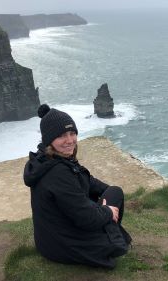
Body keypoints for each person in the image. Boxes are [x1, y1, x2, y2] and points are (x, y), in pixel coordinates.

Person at [23, 104, 132, 269]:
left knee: (113, 192)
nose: (69, 140)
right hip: (63, 246)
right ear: (49, 139)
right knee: (116, 242)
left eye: (72, 133)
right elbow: (86, 218)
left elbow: (84, 179)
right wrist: (108, 211)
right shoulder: (57, 172)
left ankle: (108, 229)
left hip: (51, 239)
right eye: (61, 136)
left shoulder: (48, 159)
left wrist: (105, 198)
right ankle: (109, 236)